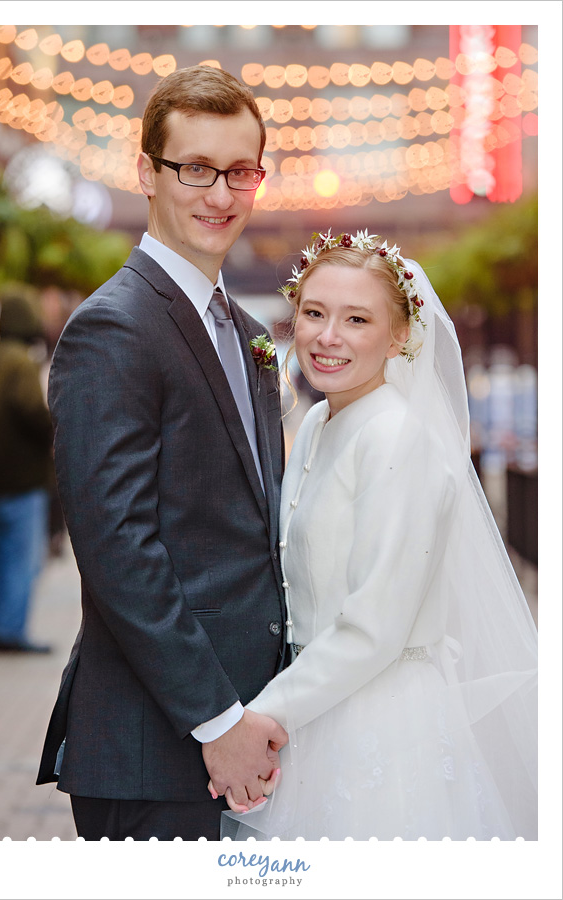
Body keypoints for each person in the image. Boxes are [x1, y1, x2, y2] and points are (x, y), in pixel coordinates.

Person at [36, 65, 288, 840]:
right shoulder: (113, 326)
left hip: (249, 729)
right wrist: (217, 723)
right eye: (195, 169)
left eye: (239, 171)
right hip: (157, 744)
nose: (220, 194)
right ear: (146, 172)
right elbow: (117, 549)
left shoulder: (247, 330)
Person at [219, 230, 538, 840]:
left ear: (398, 336)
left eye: (356, 319)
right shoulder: (317, 421)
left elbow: (376, 626)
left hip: (381, 720)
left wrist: (261, 718)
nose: (326, 337)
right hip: (314, 705)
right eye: (313, 313)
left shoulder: (396, 435)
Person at [0, 290, 53, 653]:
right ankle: (10, 632)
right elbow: (31, 409)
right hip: (22, 480)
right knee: (21, 561)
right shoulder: (20, 363)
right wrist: (53, 426)